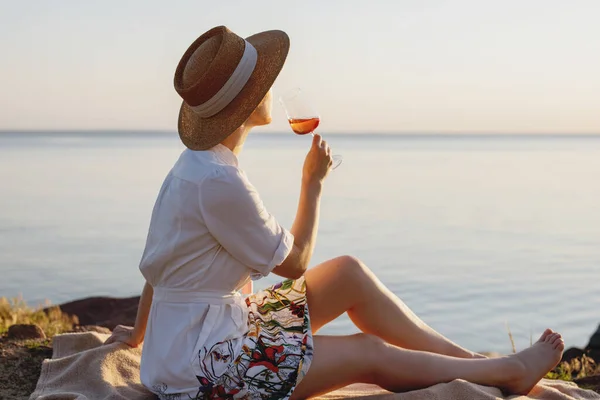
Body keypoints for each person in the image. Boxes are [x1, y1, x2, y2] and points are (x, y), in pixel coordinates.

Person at [104, 26, 564, 400]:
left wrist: (140, 337)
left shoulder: (194, 168)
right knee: (368, 351)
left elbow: (156, 270)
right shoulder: (218, 181)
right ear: (245, 103)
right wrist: (313, 184)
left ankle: (484, 367)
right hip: (208, 372)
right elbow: (296, 262)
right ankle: (505, 373)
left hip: (200, 340)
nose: (273, 87)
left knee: (348, 273)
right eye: (264, 81)